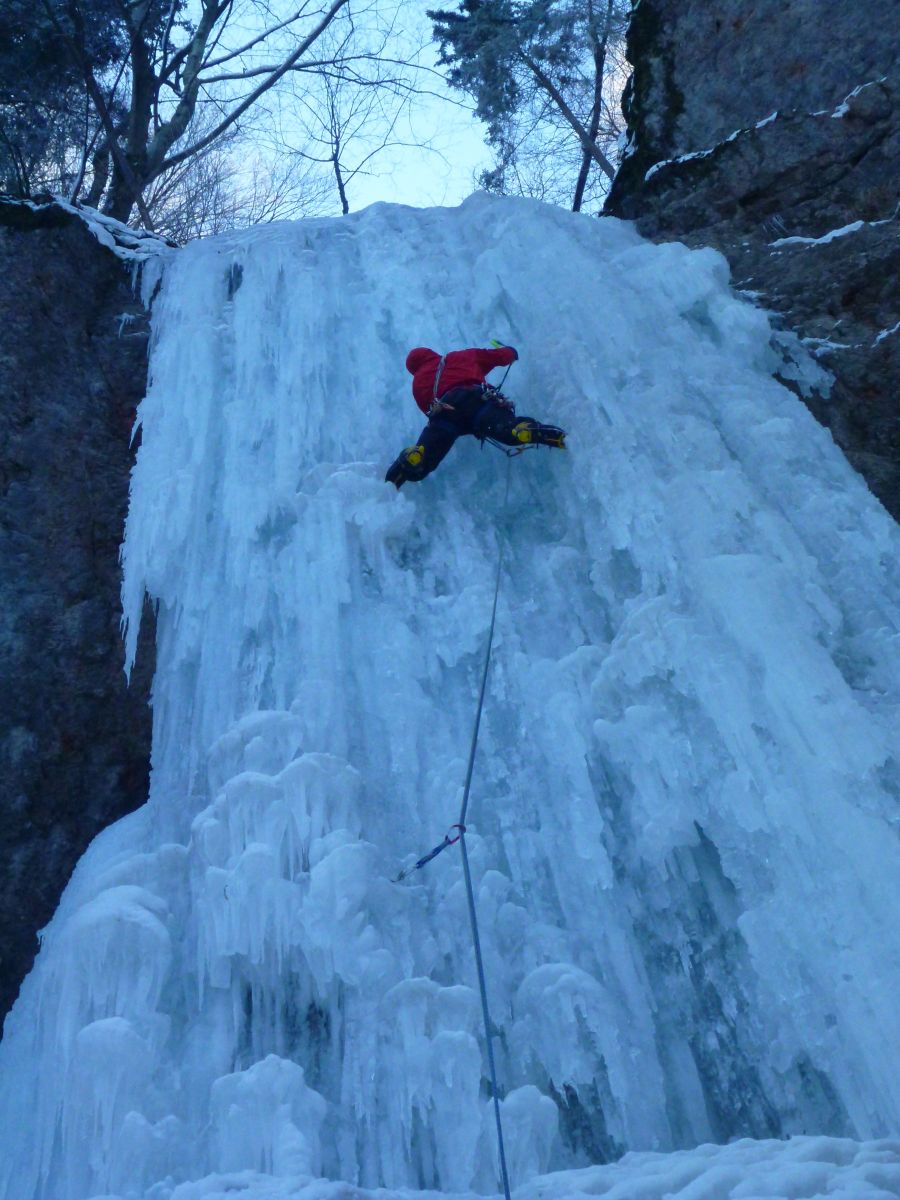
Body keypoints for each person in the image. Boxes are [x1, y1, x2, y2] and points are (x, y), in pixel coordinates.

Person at [385, 345, 566, 489]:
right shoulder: (459, 357)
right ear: (431, 354)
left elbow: (427, 409)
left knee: (426, 459)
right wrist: (510, 352)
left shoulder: (418, 383)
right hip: (475, 400)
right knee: (507, 429)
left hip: (445, 415)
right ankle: (520, 429)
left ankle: (413, 457)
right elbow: (494, 357)